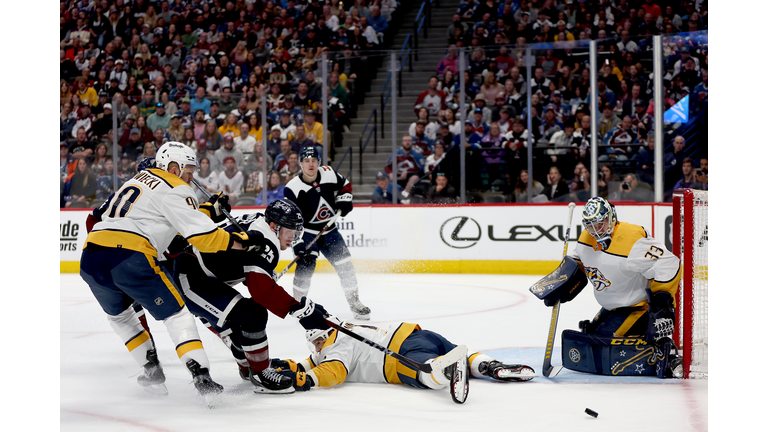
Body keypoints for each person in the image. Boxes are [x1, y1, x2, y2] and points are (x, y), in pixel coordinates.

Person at [79, 142, 263, 398]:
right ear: (173, 167)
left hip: (91, 257)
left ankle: (152, 372)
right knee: (177, 316)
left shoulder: (137, 180)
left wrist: (208, 210)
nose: (192, 176)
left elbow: (167, 220)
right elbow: (201, 237)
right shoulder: (176, 186)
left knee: (121, 318)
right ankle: (202, 378)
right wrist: (241, 243)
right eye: (189, 169)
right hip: (130, 255)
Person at [174, 199, 333, 393]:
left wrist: (264, 272)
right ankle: (260, 374)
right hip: (192, 279)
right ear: (275, 226)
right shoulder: (268, 241)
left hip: (202, 275)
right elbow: (261, 291)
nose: (294, 237)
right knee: (251, 316)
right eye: (290, 231)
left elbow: (243, 267)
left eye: (296, 232)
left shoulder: (260, 222)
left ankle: (248, 368)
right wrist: (297, 308)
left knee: (239, 327)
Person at [541, 197, 682, 378]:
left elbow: (668, 263)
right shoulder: (586, 237)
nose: (596, 230)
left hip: (638, 307)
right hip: (612, 306)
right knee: (592, 336)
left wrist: (662, 298)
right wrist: (563, 283)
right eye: (590, 225)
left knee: (604, 344)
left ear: (611, 217)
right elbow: (579, 261)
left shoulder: (630, 239)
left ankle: (664, 349)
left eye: (600, 223)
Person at [270, 319, 535, 393]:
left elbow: (334, 371)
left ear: (317, 340)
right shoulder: (344, 329)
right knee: (459, 353)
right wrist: (284, 366)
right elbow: (312, 362)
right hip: (417, 334)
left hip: (400, 356)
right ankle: (487, 366)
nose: (316, 348)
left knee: (426, 374)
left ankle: (443, 371)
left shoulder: (335, 347)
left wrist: (302, 380)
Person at [284, 146, 371, 320]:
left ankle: (354, 302)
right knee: (305, 268)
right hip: (307, 232)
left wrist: (345, 198)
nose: (311, 164)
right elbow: (289, 219)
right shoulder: (292, 188)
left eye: (314, 160)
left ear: (319, 162)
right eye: (306, 161)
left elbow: (345, 185)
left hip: (330, 231)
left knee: (346, 267)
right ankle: (298, 304)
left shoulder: (329, 173)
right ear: (301, 164)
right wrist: (296, 241)